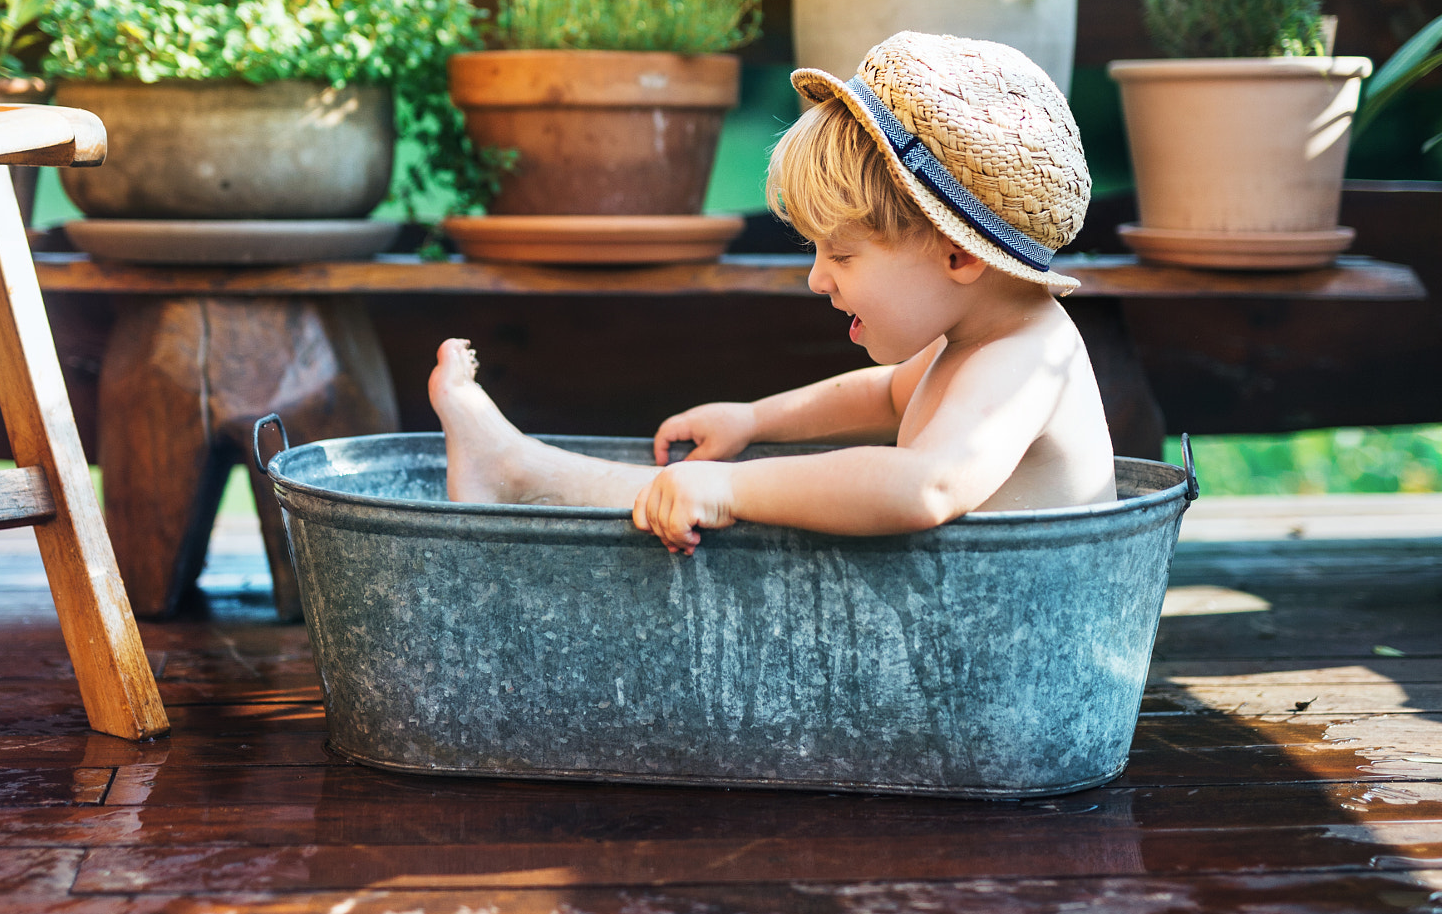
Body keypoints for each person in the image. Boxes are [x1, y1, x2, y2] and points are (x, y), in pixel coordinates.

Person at [429, 31, 1115, 554]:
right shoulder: (972, 340)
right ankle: (517, 470)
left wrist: (732, 485)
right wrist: (755, 421)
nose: (818, 278)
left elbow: (924, 485)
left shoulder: (1026, 358)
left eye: (841, 253)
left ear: (958, 254)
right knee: (699, 500)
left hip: (1002, 681)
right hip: (944, 656)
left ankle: (518, 472)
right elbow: (879, 395)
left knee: (723, 505)